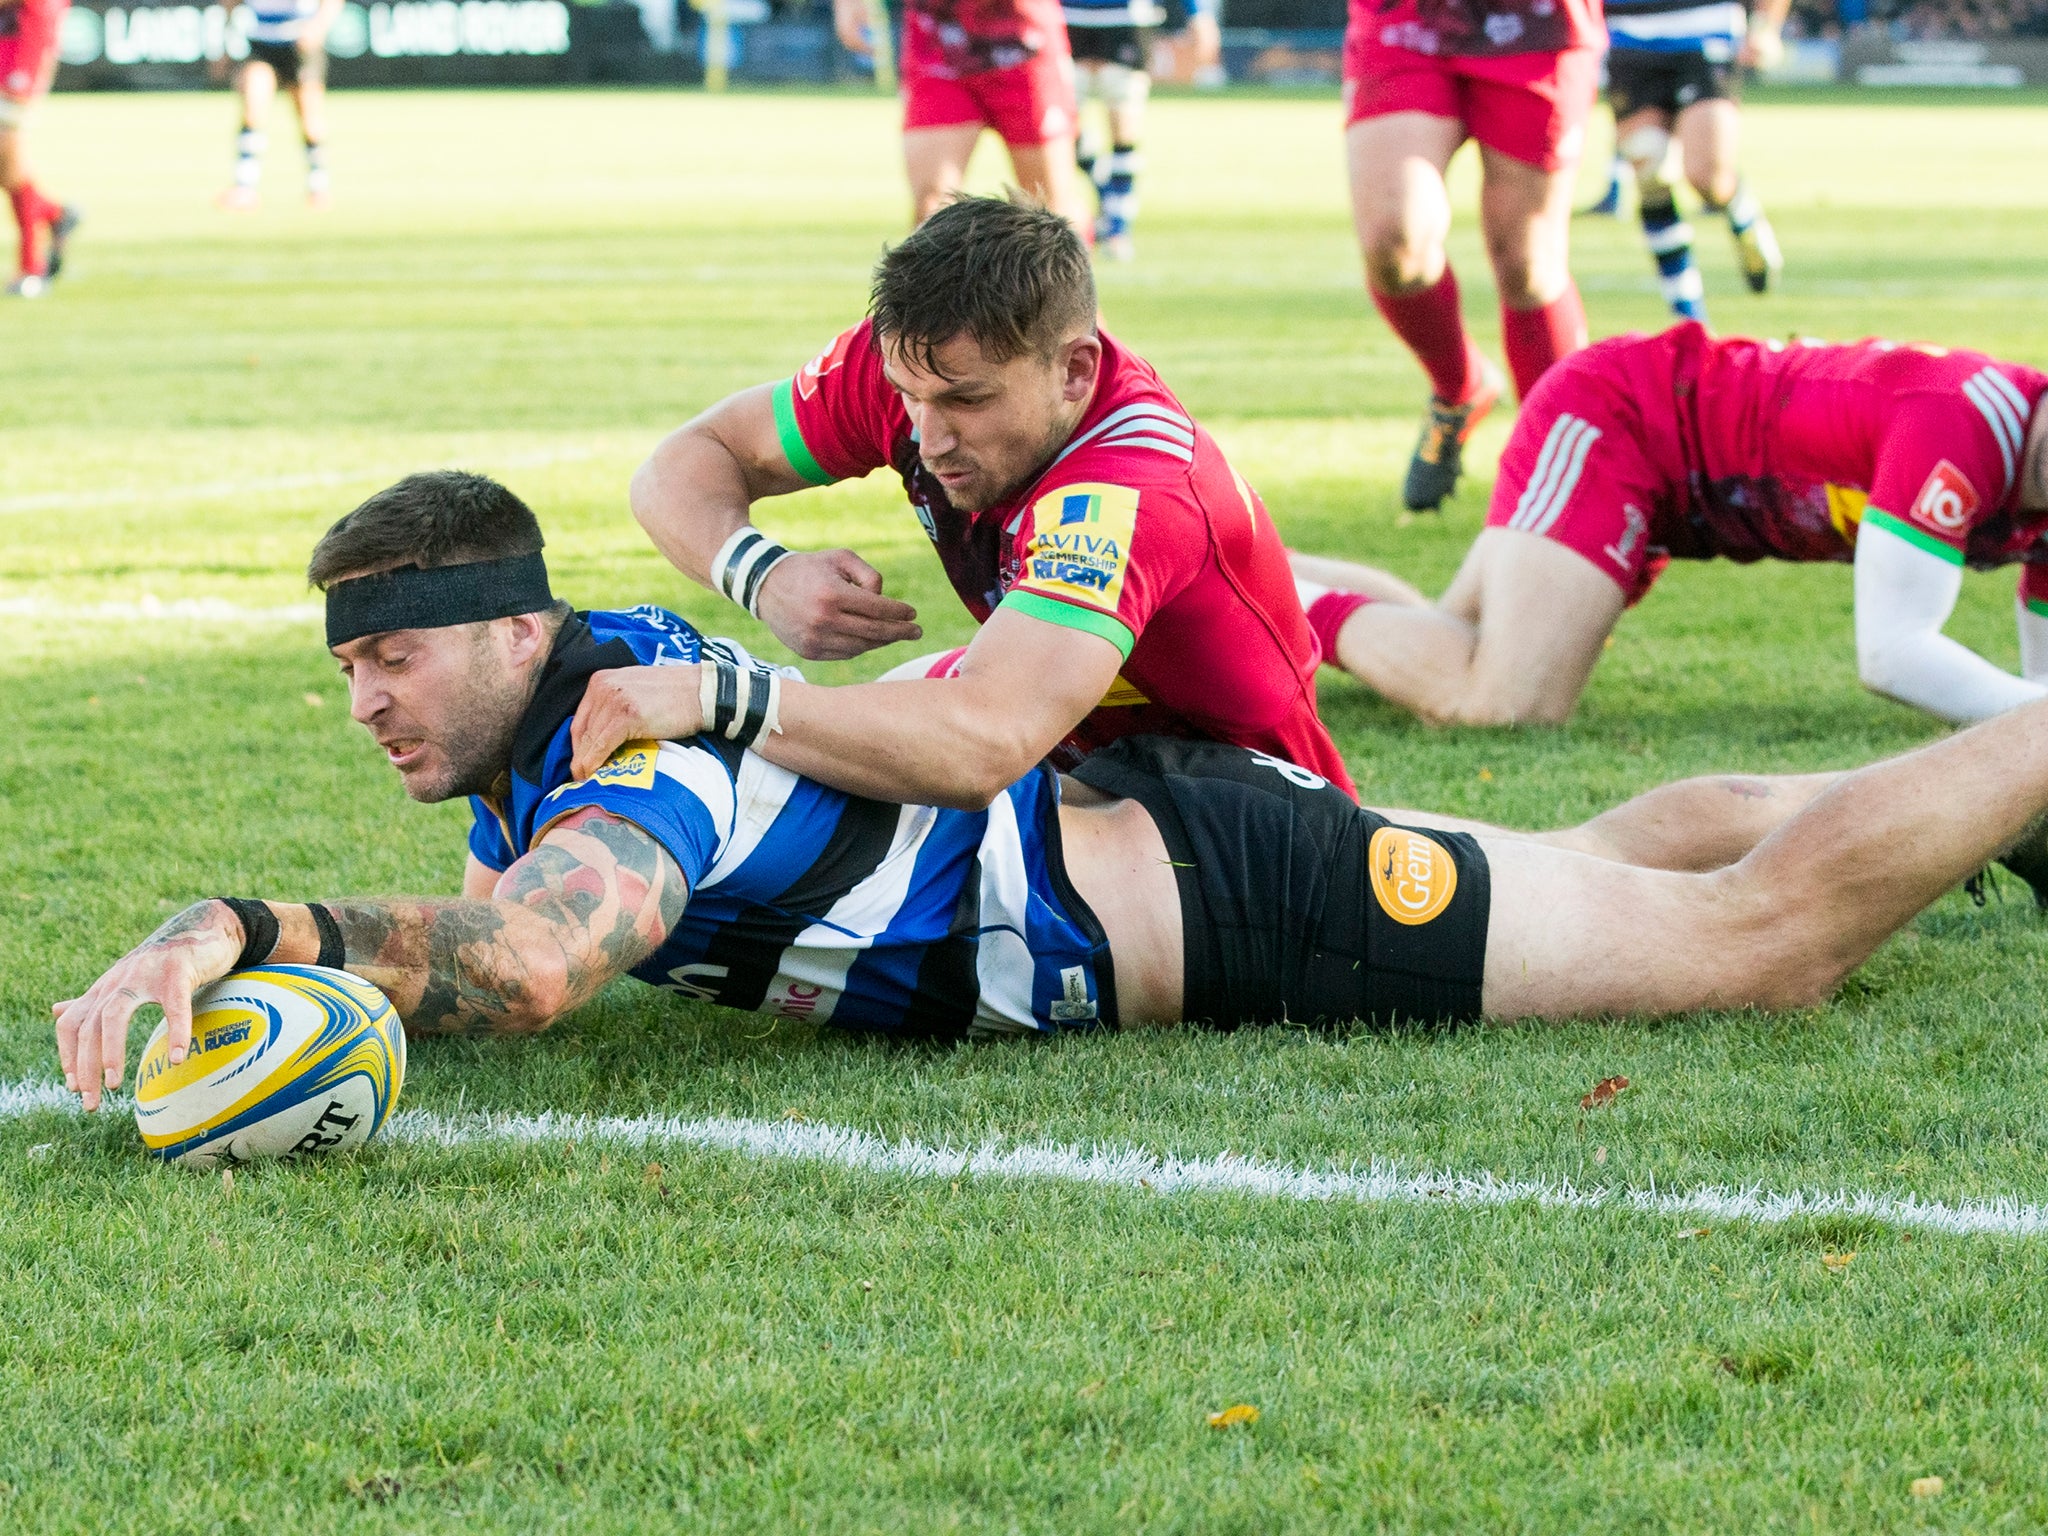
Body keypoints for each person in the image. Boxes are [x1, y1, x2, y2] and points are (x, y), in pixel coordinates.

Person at [54, 471, 2048, 1111]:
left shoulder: (632, 746)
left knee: (1750, 946)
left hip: (1242, 905)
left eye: (391, 660)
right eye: (345, 673)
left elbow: (535, 965)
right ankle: (1994, 791)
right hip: (1181, 844)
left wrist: (240, 929)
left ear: (513, 635)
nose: (366, 705)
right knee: (1596, 852)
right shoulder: (560, 703)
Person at [597, 194, 1355, 805]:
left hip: (1232, 804)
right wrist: (761, 574)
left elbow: (982, 744)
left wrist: (721, 695)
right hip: (1068, 737)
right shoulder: (921, 363)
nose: (927, 438)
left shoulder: (1126, 488)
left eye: (967, 401)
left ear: (1075, 372)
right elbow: (681, 466)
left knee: (875, 778)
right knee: (879, 717)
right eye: (906, 395)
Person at [1296, 323, 2048, 729]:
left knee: (1451, 636)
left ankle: (1260, 562)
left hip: (1677, 483)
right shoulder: (1964, 426)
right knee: (1505, 706)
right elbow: (1893, 654)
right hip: (1627, 418)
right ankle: (1285, 596)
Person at [1342, 0, 1605, 511]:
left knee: (1527, 261)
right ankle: (1460, 386)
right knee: (1394, 242)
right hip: (1405, 17)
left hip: (1537, 25)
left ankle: (1557, 478)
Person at [834, 0, 1091, 232]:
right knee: (931, 204)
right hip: (938, 42)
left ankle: (1068, 283)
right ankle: (933, 284)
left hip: (1024, 41)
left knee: (1049, 210)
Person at [1604, 0, 1787, 320]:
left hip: (1706, 28)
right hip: (1625, 35)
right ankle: (1689, 319)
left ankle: (1743, 215)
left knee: (1708, 177)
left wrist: (1765, 25)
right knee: (1650, 172)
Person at [218, 0, 343, 211]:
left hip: (299, 44)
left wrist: (318, 27)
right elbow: (230, 3)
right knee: (252, 110)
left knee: (309, 121)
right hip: (261, 42)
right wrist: (226, 43)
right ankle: (245, 188)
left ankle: (318, 187)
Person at [1063, 0, 1158, 259]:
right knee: (1062, 130)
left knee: (1124, 129)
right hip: (1067, 16)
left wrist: (1198, 13)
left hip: (1126, 18)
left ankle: (1117, 229)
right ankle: (1108, 197)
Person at [0, 0, 79, 298]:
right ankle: (56, 215)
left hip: (20, 64)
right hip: (10, 54)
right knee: (8, 171)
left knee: (11, 166)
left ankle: (32, 266)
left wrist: (27, 76)